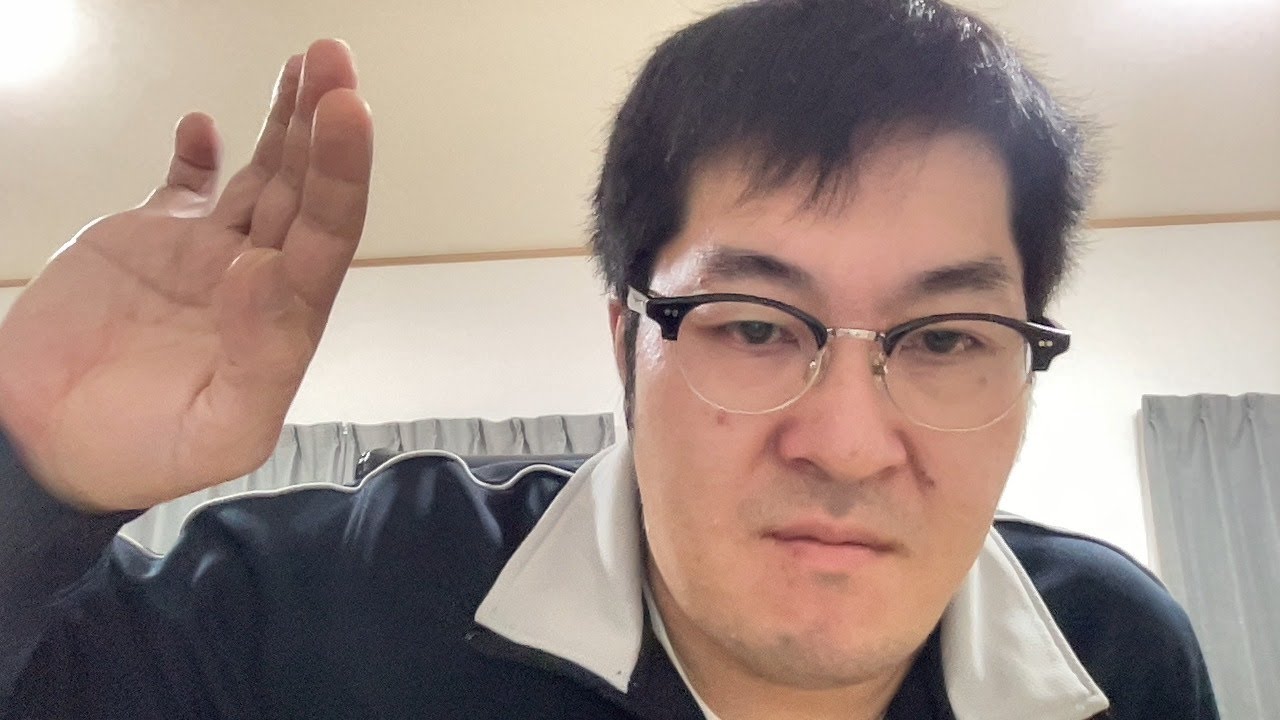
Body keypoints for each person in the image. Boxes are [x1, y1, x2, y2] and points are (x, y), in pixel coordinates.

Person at [0, 1, 1219, 718]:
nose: (849, 445)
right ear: (627, 338)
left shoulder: (1111, 653)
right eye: (753, 325)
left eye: (944, 338)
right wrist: (27, 473)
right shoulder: (330, 602)